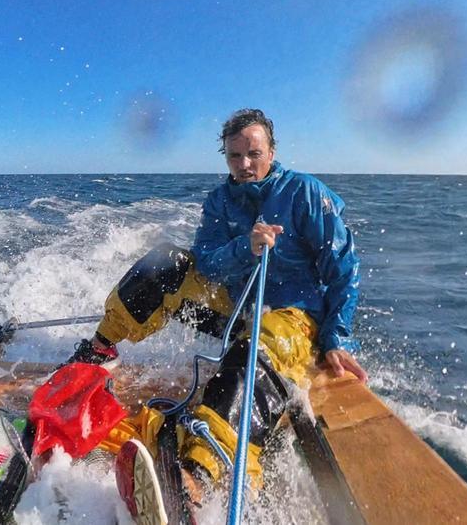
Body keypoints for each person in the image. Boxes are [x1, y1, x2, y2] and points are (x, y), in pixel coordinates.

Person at [65, 108, 367, 520]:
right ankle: (99, 349)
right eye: (234, 156)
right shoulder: (219, 201)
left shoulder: (306, 193)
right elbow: (207, 264)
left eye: (254, 154)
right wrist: (247, 247)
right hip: (237, 309)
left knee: (257, 344)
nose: (244, 164)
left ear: (272, 151)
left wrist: (336, 338)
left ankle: (199, 478)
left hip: (294, 319)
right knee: (167, 262)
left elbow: (343, 270)